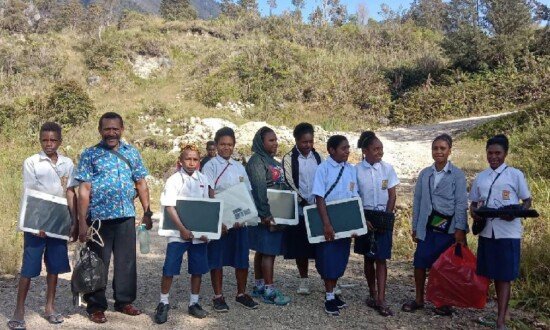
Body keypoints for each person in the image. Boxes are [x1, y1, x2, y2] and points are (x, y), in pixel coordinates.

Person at [75, 112, 153, 324]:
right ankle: (96, 306)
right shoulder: (90, 154)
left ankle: (124, 301)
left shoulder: (132, 153)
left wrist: (147, 212)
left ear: (122, 129)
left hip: (126, 216)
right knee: (97, 263)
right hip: (99, 219)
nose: (111, 133)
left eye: (115, 128)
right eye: (107, 129)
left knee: (126, 262)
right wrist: (82, 222)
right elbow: (84, 189)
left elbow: (141, 183)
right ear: (100, 131)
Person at [8, 122, 77, 330]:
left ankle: (50, 306)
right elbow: (31, 191)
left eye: (53, 140)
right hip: (36, 220)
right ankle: (19, 311)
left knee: (55, 265)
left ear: (60, 141)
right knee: (29, 265)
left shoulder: (67, 163)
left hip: (59, 219)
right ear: (40, 140)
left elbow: (70, 192)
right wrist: (37, 221)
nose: (49, 144)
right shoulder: (32, 162)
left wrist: (74, 220)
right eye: (45, 140)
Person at [469, 134, 531, 330]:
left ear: (505, 154)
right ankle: (500, 311)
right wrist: (475, 214)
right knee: (491, 273)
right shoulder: (481, 176)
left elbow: (527, 200)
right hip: (488, 231)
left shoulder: (515, 175)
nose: (493, 157)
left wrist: (516, 212)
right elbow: (473, 202)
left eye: (498, 153)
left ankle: (501, 321)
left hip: (508, 232)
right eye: (490, 153)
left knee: (504, 276)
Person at [402, 134, 468, 316]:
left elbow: (461, 203)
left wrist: (460, 229)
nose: (438, 152)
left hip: (448, 228)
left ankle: (441, 302)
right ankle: (419, 299)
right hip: (427, 226)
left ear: (449, 151)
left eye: (442, 148)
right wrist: (415, 226)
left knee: (443, 267)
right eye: (435, 148)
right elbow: (418, 200)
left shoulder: (457, 175)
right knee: (420, 262)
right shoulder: (425, 174)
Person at [201, 127, 259, 312]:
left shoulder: (239, 166)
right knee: (216, 258)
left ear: (234, 146)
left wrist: (245, 216)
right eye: (223, 144)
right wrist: (218, 220)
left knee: (241, 257)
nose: (226, 148)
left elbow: (246, 193)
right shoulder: (210, 166)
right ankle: (218, 296)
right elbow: (210, 193)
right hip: (221, 220)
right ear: (216, 145)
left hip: (239, 220)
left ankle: (241, 293)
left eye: (230, 144)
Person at [154, 144, 213, 323]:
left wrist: (206, 230)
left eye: (195, 159)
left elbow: (207, 207)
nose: (191, 162)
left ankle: (194, 302)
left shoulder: (203, 179)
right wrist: (182, 230)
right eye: (188, 159)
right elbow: (169, 206)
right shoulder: (173, 180)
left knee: (197, 269)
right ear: (180, 161)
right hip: (177, 232)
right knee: (170, 268)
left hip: (197, 235)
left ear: (199, 162)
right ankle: (163, 302)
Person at [311, 135, 359, 316]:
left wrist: (356, 224)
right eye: (343, 148)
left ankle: (334, 290)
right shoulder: (323, 169)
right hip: (328, 221)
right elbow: (319, 197)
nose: (347, 151)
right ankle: (329, 296)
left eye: (348, 148)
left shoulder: (351, 170)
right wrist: (326, 224)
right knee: (328, 259)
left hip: (345, 222)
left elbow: (354, 196)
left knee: (340, 258)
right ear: (331, 150)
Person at [354, 131, 399, 317]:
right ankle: (371, 293)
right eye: (376, 149)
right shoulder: (356, 170)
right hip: (365, 215)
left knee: (381, 258)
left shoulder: (387, 169)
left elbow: (392, 194)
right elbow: (354, 196)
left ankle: (381, 298)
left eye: (381, 148)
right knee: (368, 257)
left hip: (383, 215)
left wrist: (386, 217)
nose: (380, 152)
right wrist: (363, 218)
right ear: (365, 151)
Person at [246, 126, 291, 306]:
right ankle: (269, 290)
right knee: (269, 252)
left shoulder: (272, 161)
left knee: (262, 250)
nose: (275, 143)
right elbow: (258, 188)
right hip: (266, 214)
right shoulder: (257, 161)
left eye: (276, 140)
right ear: (261, 142)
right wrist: (265, 214)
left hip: (277, 212)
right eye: (271, 140)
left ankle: (259, 285)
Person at [282, 123, 322, 295]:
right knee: (301, 246)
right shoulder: (289, 158)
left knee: (320, 245)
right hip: (299, 209)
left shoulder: (318, 158)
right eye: (304, 142)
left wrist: (317, 202)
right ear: (296, 140)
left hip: (316, 208)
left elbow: (323, 180)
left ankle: (328, 279)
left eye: (310, 141)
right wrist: (302, 201)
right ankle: (304, 279)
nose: (308, 145)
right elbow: (288, 182)